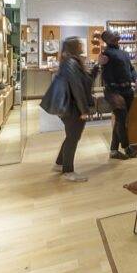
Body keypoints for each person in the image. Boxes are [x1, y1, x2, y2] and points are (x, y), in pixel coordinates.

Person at [51, 37, 93, 182]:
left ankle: (60, 163)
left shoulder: (70, 62)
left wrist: (96, 68)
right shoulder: (71, 63)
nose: (82, 45)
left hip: (71, 107)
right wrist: (83, 110)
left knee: (71, 136)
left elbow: (84, 83)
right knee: (73, 137)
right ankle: (68, 171)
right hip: (73, 108)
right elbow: (77, 88)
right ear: (74, 47)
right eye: (79, 44)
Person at [99, 30, 137, 160]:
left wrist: (136, 79)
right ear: (107, 39)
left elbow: (131, 69)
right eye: (112, 33)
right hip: (115, 92)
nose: (116, 33)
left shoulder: (124, 53)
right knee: (121, 120)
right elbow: (107, 76)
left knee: (120, 120)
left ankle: (114, 151)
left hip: (127, 90)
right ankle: (127, 148)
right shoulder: (106, 54)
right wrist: (114, 93)